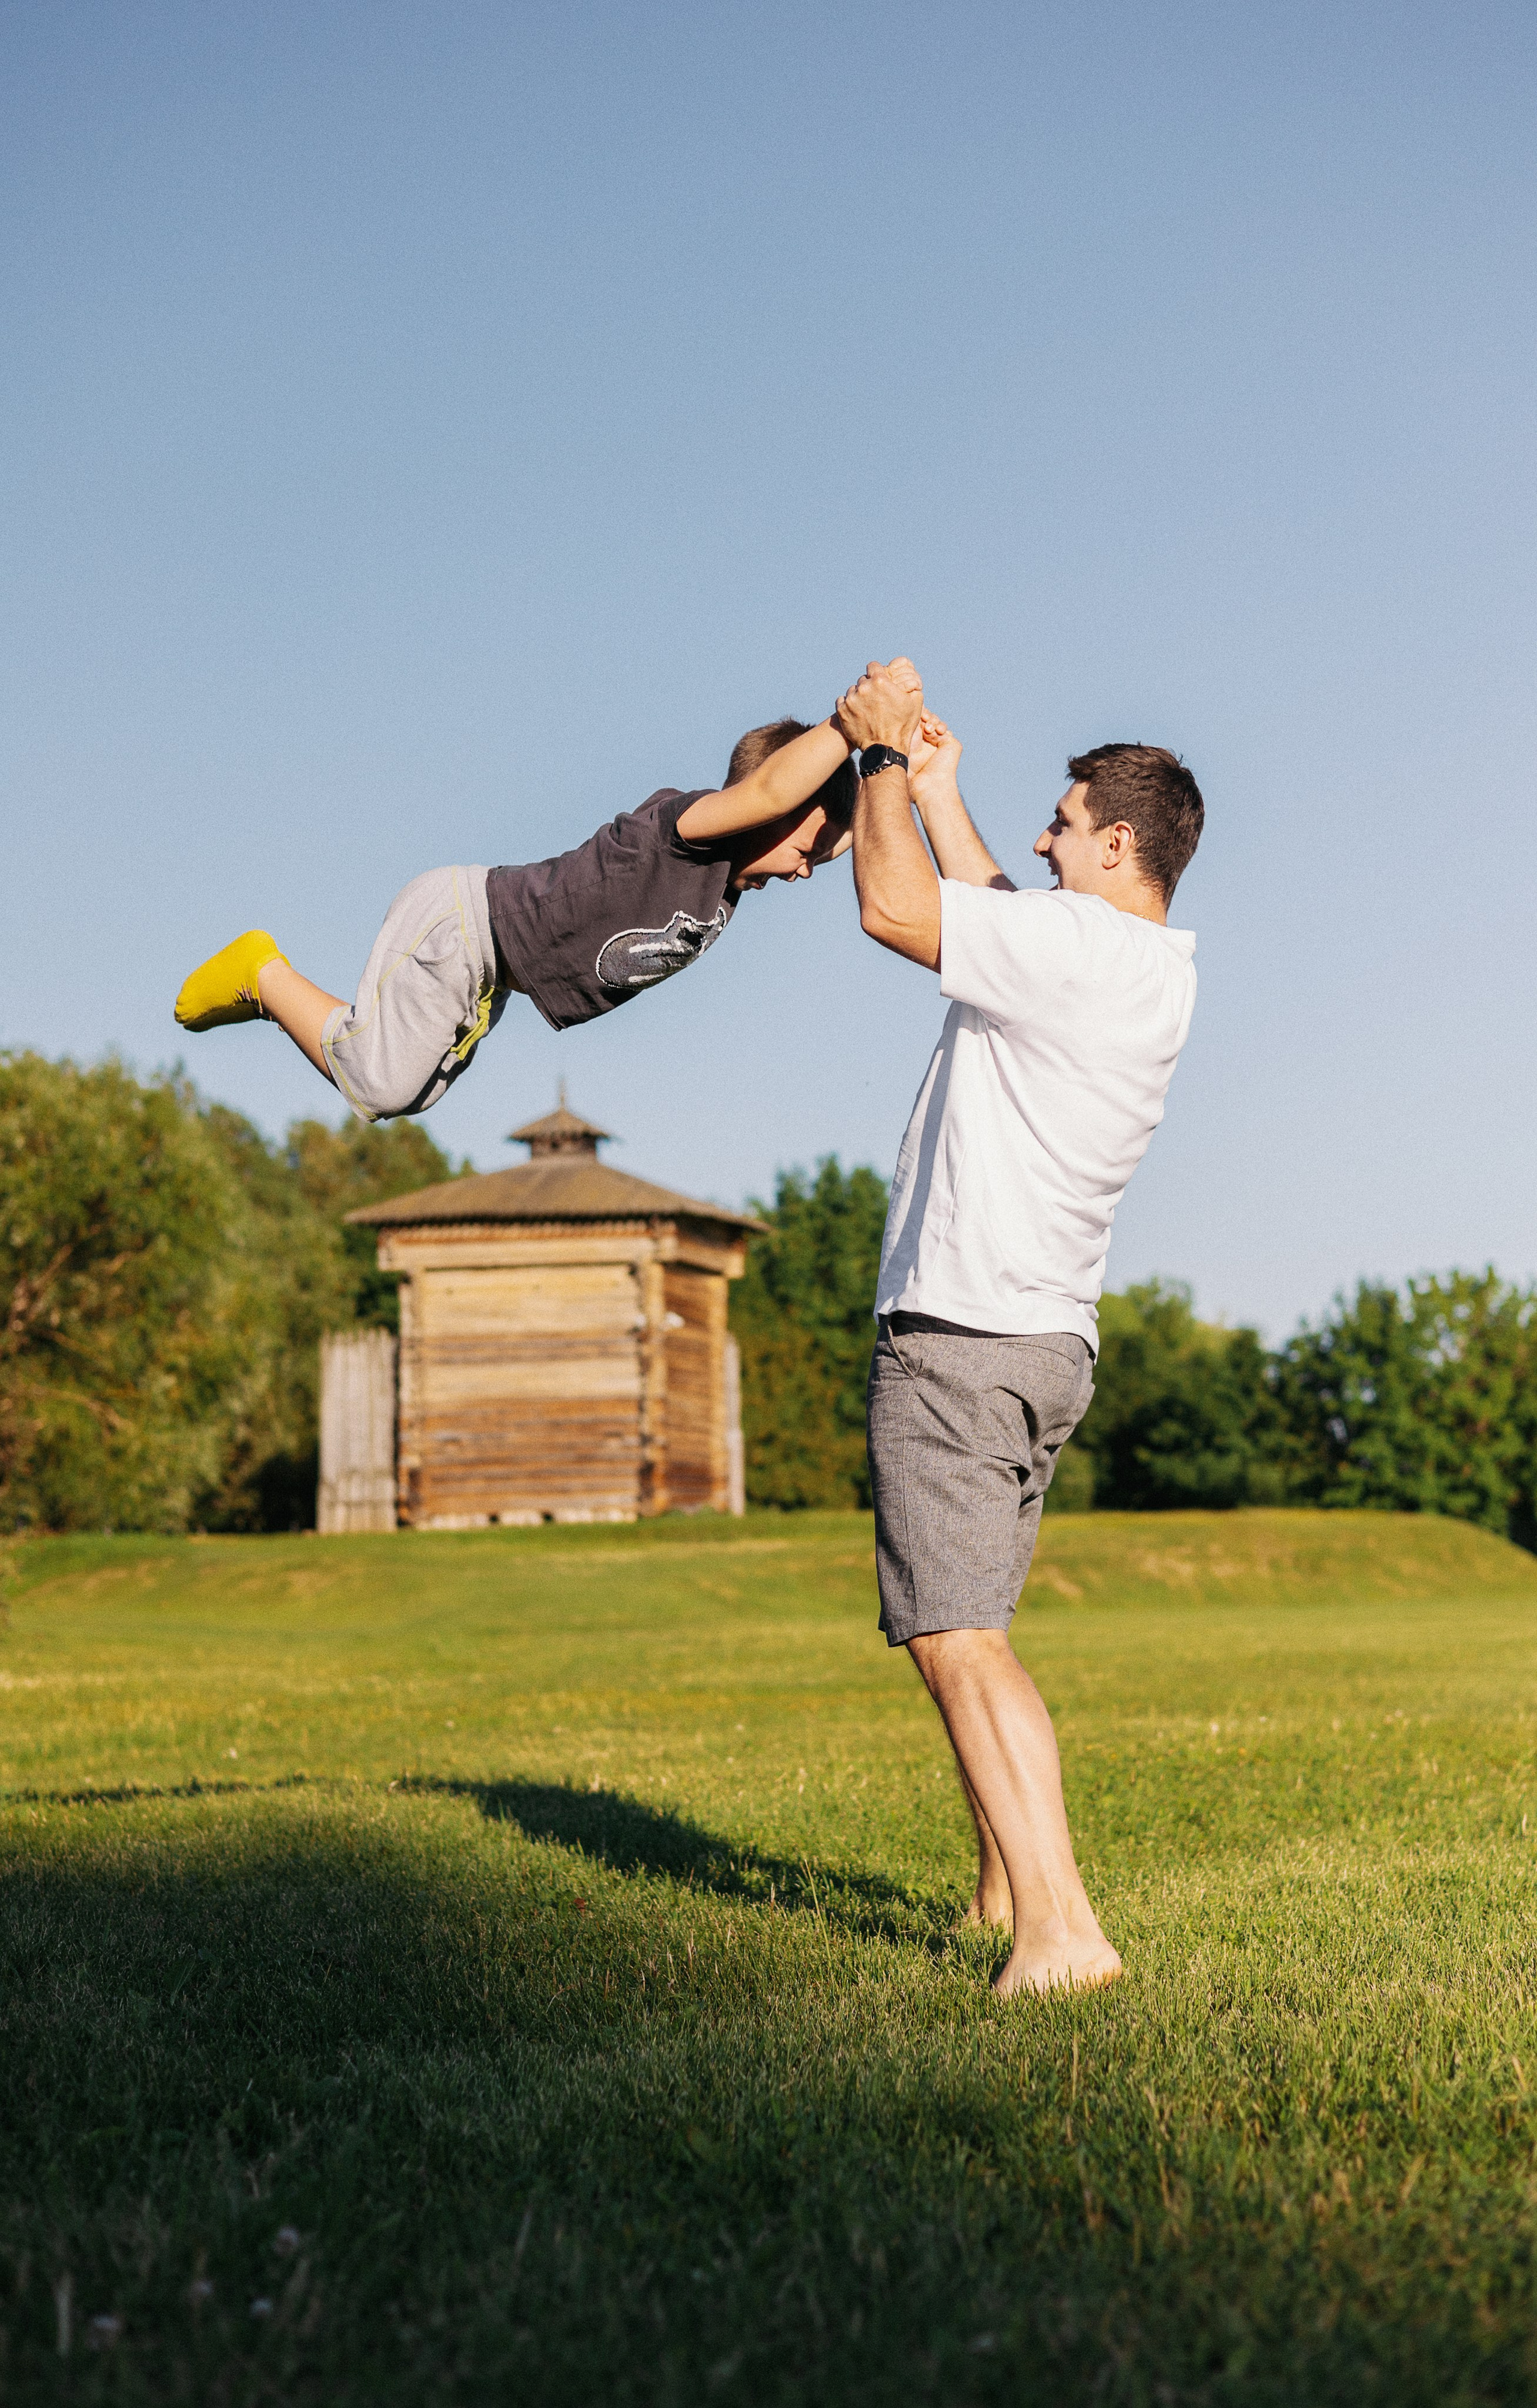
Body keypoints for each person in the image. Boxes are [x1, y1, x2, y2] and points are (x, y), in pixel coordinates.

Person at [836, 658, 1203, 1996]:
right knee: (973, 1617)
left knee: (955, 1634)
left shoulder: (1074, 946)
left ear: (1117, 839)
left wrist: (878, 758)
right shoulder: (1138, 965)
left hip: (962, 1333)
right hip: (1043, 1342)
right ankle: (1003, 1890)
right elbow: (999, 918)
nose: (1042, 839)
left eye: (1060, 821)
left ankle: (1059, 1927)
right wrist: (945, 792)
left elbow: (895, 909)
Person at [172, 708, 864, 1121]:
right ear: (768, 809)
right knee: (379, 1084)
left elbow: (852, 831)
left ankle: (272, 986)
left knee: (411, 1096)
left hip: (490, 969)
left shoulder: (728, 886)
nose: (806, 870)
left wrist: (900, 768)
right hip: (462, 927)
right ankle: (262, 974)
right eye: (805, 850)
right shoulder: (687, 831)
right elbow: (776, 786)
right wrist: (850, 725)